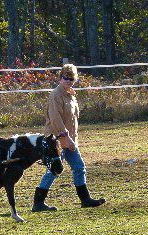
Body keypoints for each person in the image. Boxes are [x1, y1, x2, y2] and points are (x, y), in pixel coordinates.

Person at [32, 64, 106, 212]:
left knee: (79, 167)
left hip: (70, 140)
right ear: (60, 78)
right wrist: (67, 138)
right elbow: (56, 120)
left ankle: (85, 199)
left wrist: (72, 139)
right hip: (57, 141)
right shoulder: (56, 95)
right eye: (65, 78)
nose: (68, 81)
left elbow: (73, 119)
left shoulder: (71, 94)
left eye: (71, 78)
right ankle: (38, 203)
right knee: (54, 171)